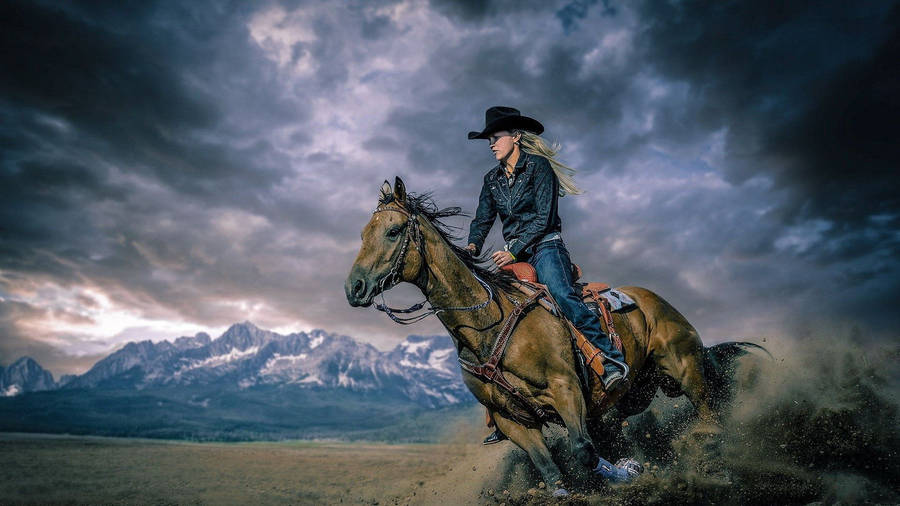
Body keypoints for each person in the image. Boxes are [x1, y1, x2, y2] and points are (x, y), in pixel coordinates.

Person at [464, 106, 629, 445]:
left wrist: (512, 250)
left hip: (546, 245)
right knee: (497, 313)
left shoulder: (539, 168)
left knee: (563, 294)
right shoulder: (491, 180)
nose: (491, 145)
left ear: (516, 137)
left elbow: (543, 218)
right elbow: (483, 219)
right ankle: (504, 406)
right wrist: (471, 246)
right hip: (515, 256)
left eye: (496, 138)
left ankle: (611, 362)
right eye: (490, 140)